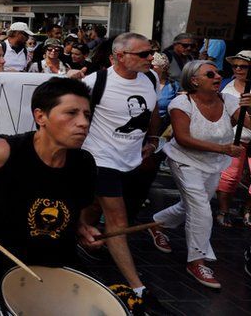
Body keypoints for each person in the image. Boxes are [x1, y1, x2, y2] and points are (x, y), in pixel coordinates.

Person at [0, 77, 103, 315]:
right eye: (72, 113)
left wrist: (82, 228)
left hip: (52, 275)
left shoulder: (84, 163)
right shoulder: (4, 151)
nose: (83, 123)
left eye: (87, 115)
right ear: (40, 116)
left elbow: (75, 214)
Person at [79, 32, 162, 310]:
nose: (151, 58)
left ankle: (77, 235)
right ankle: (137, 287)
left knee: (93, 205)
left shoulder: (151, 79)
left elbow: (152, 110)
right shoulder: (96, 82)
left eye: (151, 52)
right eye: (143, 54)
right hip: (100, 160)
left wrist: (152, 140)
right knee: (118, 220)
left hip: (132, 162)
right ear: (119, 56)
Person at [150, 61, 251, 289]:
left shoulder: (229, 100)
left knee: (194, 205)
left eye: (217, 73)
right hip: (185, 161)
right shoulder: (181, 103)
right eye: (210, 73)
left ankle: (157, 223)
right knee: (202, 209)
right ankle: (196, 260)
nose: (218, 76)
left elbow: (249, 123)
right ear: (194, 80)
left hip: (213, 163)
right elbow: (184, 139)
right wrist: (224, 149)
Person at [216, 50, 251, 227]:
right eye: (235, 65)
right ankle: (223, 210)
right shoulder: (225, 87)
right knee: (230, 177)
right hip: (235, 138)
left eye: (243, 66)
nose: (238, 69)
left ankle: (248, 209)